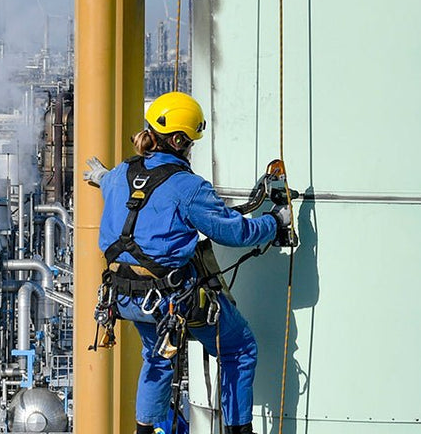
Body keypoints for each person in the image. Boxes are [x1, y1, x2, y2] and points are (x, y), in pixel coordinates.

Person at [98, 91, 291, 434]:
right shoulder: (188, 187)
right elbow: (234, 232)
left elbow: (118, 194)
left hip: (125, 296)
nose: (191, 150)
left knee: (158, 356)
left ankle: (145, 431)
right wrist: (275, 223)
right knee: (239, 348)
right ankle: (238, 430)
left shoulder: (118, 175)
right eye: (190, 143)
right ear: (177, 140)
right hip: (167, 298)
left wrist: (101, 177)